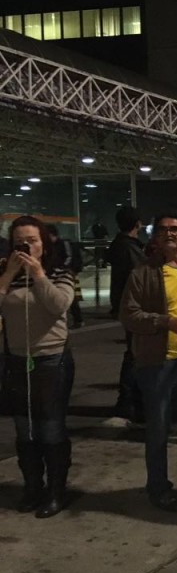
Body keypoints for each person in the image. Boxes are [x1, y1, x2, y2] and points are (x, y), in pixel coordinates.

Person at [120, 212, 177, 513]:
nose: (170, 234)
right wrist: (164, 322)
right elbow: (128, 315)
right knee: (158, 429)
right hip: (157, 364)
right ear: (156, 238)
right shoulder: (143, 274)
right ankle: (158, 488)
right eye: (163, 230)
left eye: (176, 229)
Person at [1, 216, 76, 517]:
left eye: (32, 240)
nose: (26, 245)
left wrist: (38, 274)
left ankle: (56, 490)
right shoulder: (6, 273)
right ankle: (33, 486)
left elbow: (59, 305)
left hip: (51, 359)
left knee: (50, 426)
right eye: (20, 240)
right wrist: (8, 274)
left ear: (44, 243)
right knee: (24, 428)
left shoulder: (60, 272)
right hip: (17, 360)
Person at [107, 205, 147, 425]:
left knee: (134, 353)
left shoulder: (120, 245)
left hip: (125, 305)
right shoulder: (130, 248)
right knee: (135, 354)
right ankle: (128, 403)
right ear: (137, 224)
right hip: (134, 306)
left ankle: (131, 402)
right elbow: (140, 274)